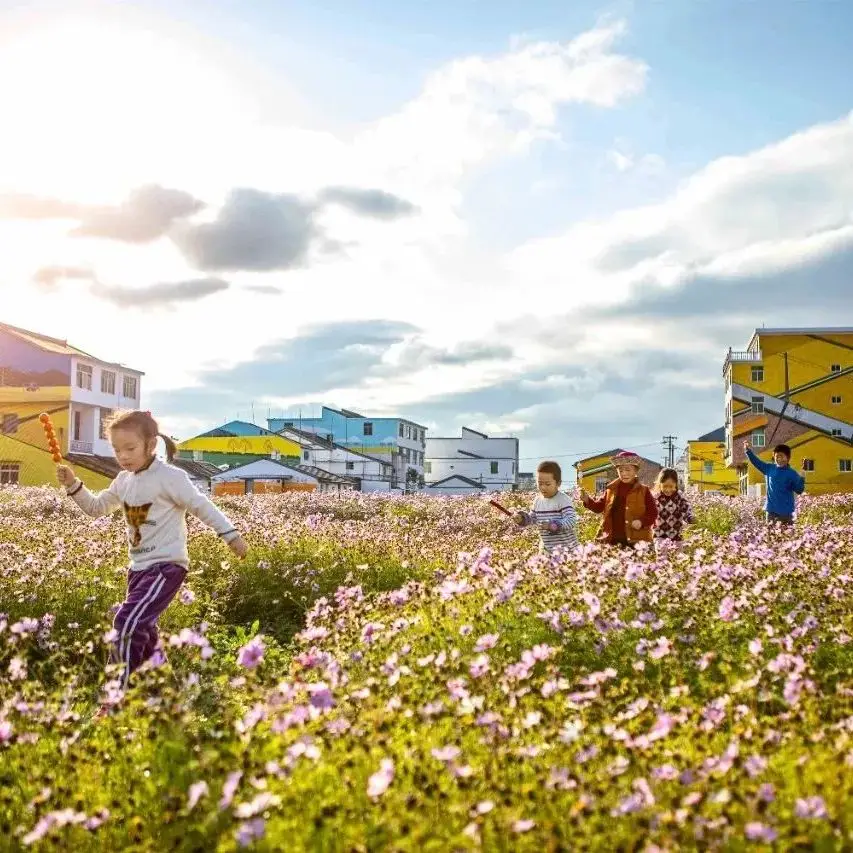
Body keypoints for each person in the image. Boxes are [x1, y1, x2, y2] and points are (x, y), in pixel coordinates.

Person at [56, 409, 248, 688]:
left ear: (151, 445)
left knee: (127, 625)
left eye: (130, 448)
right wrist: (73, 485)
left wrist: (231, 535)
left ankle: (116, 696)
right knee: (144, 631)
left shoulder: (170, 477)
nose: (123, 456)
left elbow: (200, 505)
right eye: (117, 449)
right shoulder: (123, 480)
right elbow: (96, 508)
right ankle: (166, 694)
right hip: (138, 569)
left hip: (166, 566)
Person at [579, 451, 657, 548]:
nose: (624, 473)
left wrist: (641, 522)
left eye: (628, 470)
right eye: (620, 470)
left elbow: (653, 513)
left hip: (636, 540)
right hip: (612, 539)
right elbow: (599, 507)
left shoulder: (644, 491)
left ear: (636, 471)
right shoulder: (611, 489)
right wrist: (587, 500)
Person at [514, 460, 579, 554]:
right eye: (540, 483)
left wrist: (553, 525)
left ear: (558, 483)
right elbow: (532, 519)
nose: (543, 487)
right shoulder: (537, 501)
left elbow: (571, 520)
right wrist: (522, 519)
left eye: (547, 484)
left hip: (567, 551)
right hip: (547, 550)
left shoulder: (563, 499)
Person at [742, 441, 805, 525]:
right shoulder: (769, 468)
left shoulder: (792, 473)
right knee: (770, 536)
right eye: (777, 456)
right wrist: (748, 451)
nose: (779, 459)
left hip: (786, 513)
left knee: (787, 537)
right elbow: (756, 462)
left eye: (782, 456)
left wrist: (802, 478)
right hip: (771, 511)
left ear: (788, 457)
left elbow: (799, 490)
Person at [652, 467, 694, 544]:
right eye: (665, 486)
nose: (668, 490)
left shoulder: (679, 496)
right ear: (659, 484)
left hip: (677, 536)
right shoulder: (655, 497)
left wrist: (691, 519)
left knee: (678, 556)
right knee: (662, 556)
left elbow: (687, 510)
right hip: (659, 536)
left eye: (671, 486)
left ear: (676, 484)